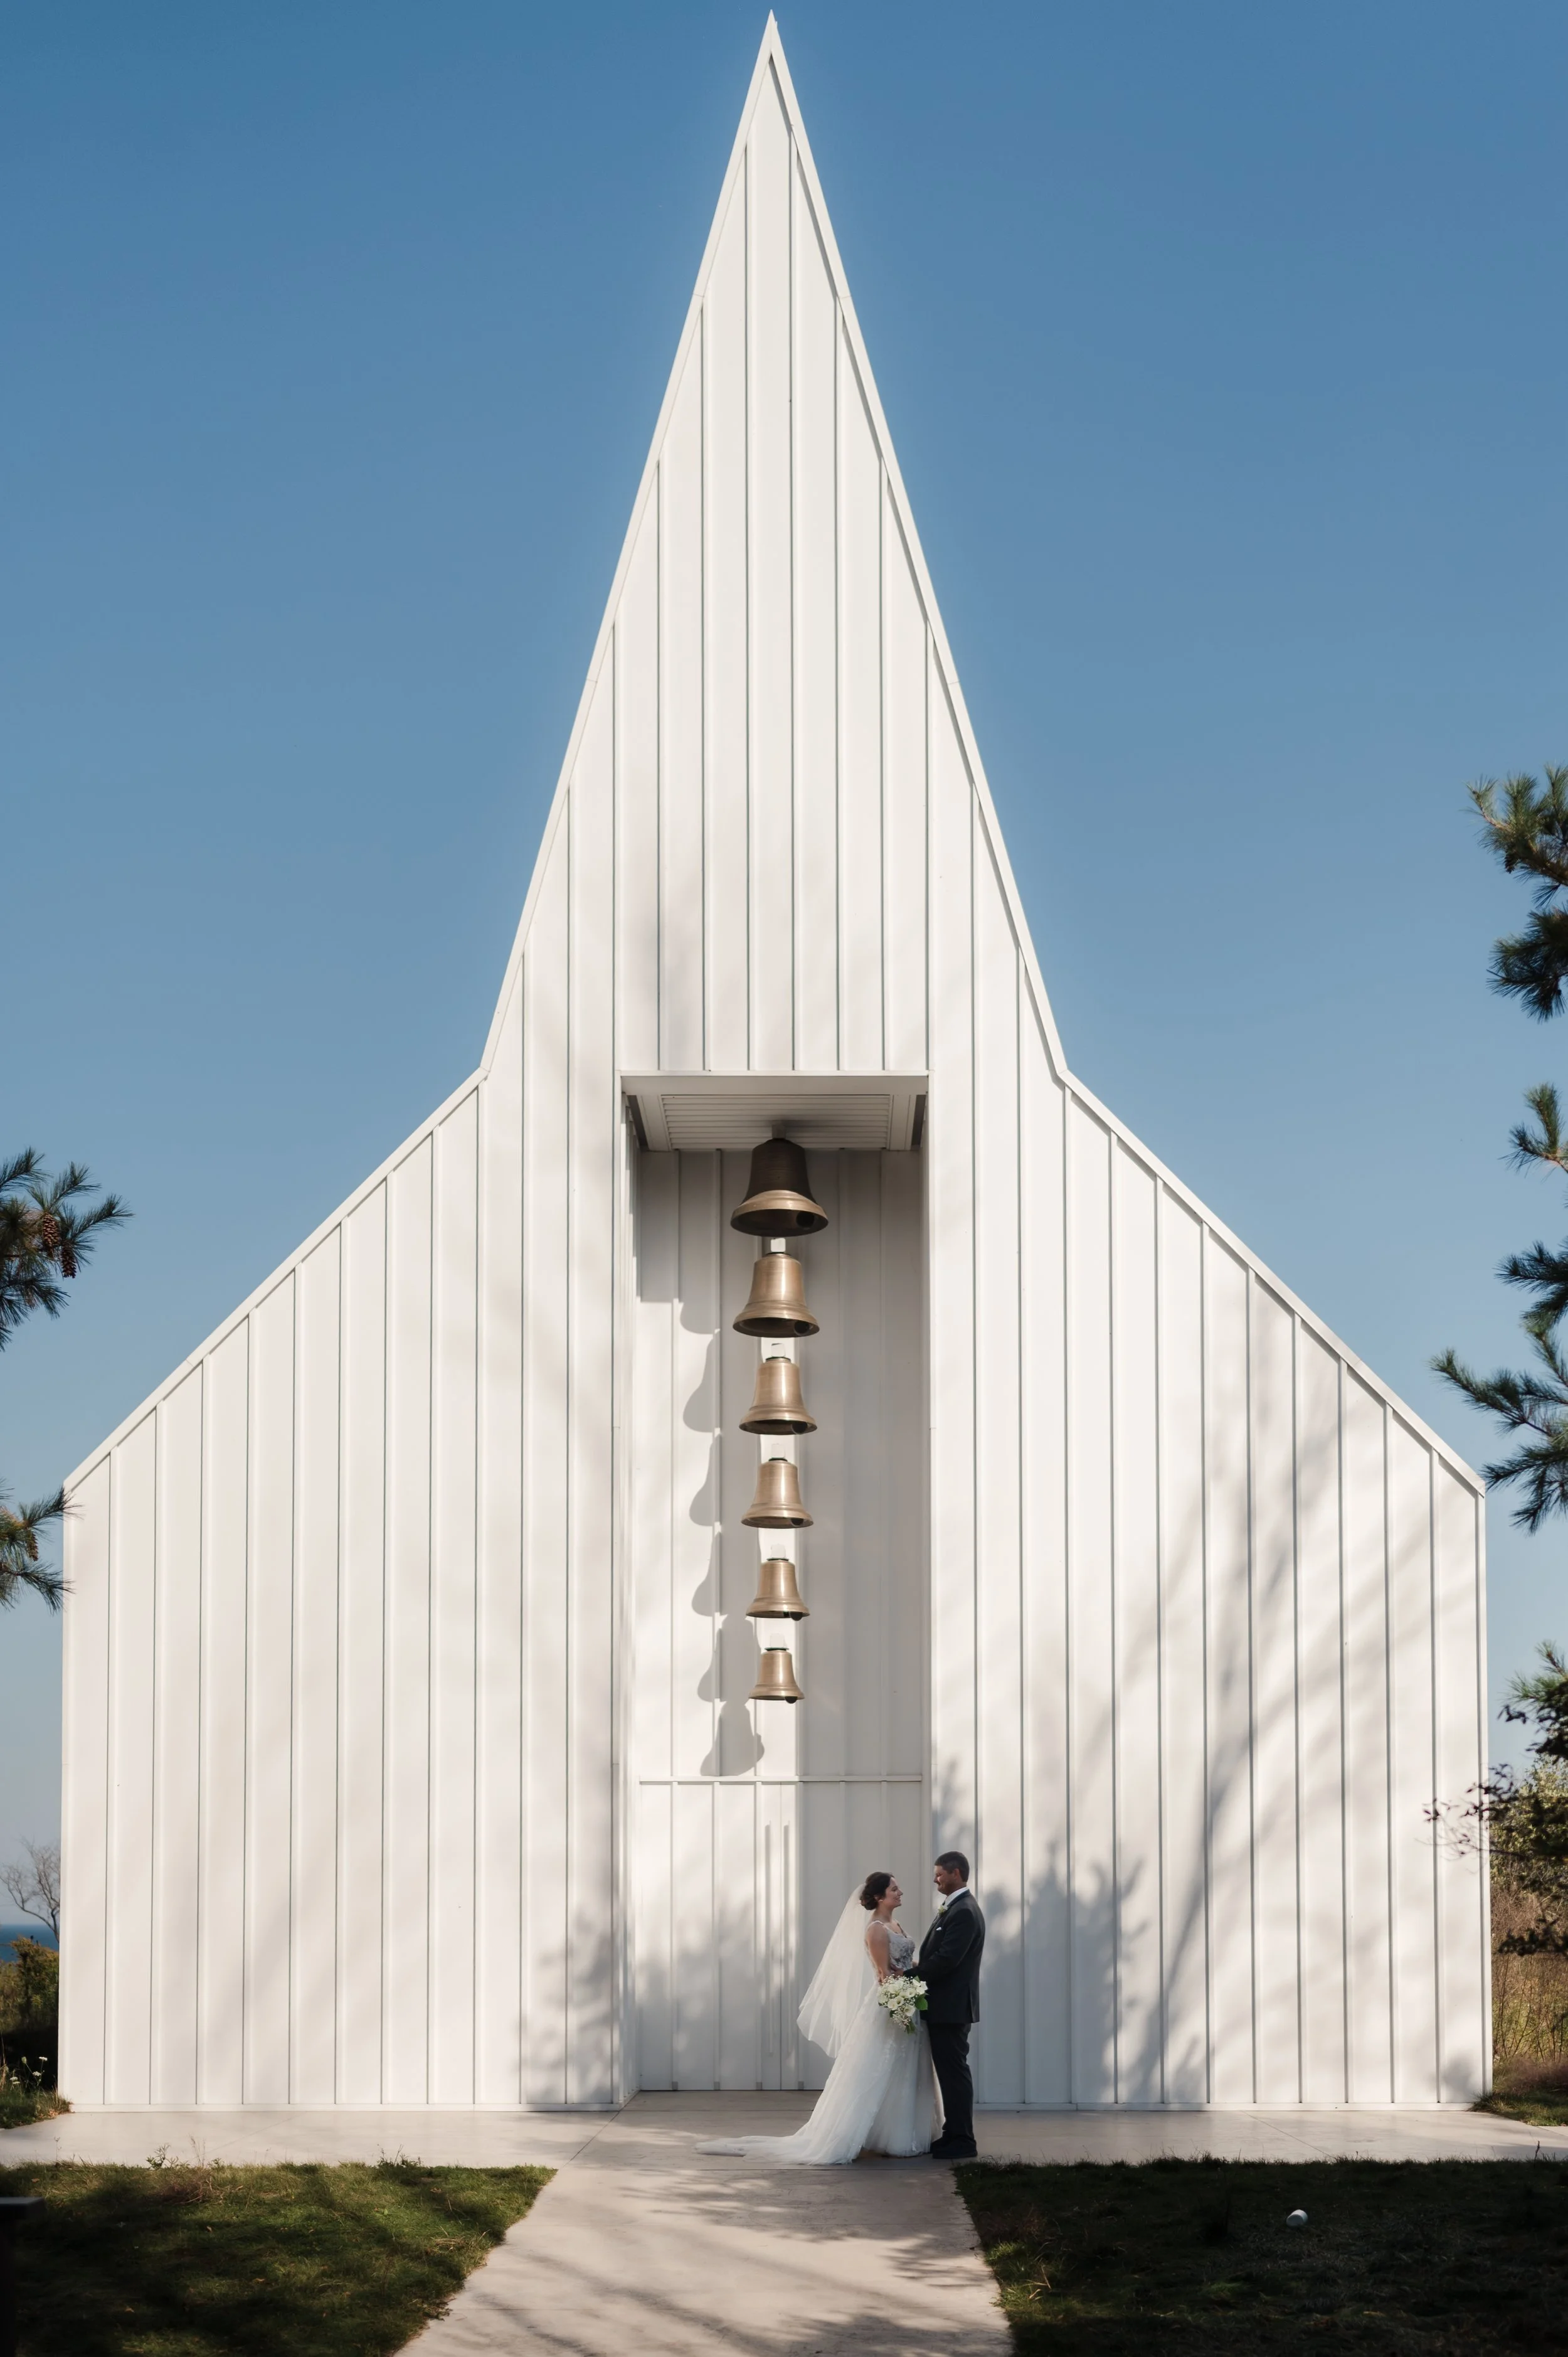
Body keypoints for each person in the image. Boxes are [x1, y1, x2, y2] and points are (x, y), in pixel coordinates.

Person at [697, 1871, 936, 2164]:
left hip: (907, 2000)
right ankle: (856, 2134)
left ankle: (896, 2135)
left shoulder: (895, 1924)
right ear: (879, 1896)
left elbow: (904, 1963)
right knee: (877, 2070)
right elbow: (883, 1975)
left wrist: (919, 1975)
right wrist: (904, 1997)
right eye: (894, 1889)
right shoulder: (875, 1929)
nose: (900, 1893)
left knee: (903, 2071)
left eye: (899, 1888)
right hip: (890, 2005)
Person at [918, 1851, 985, 2160]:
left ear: (955, 1873)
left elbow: (947, 1960)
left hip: (951, 2008)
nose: (935, 1879)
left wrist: (908, 1975)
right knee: (948, 2074)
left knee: (955, 2074)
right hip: (945, 2008)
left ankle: (963, 2141)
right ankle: (952, 2134)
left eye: (939, 1874)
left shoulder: (964, 1911)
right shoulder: (955, 1908)